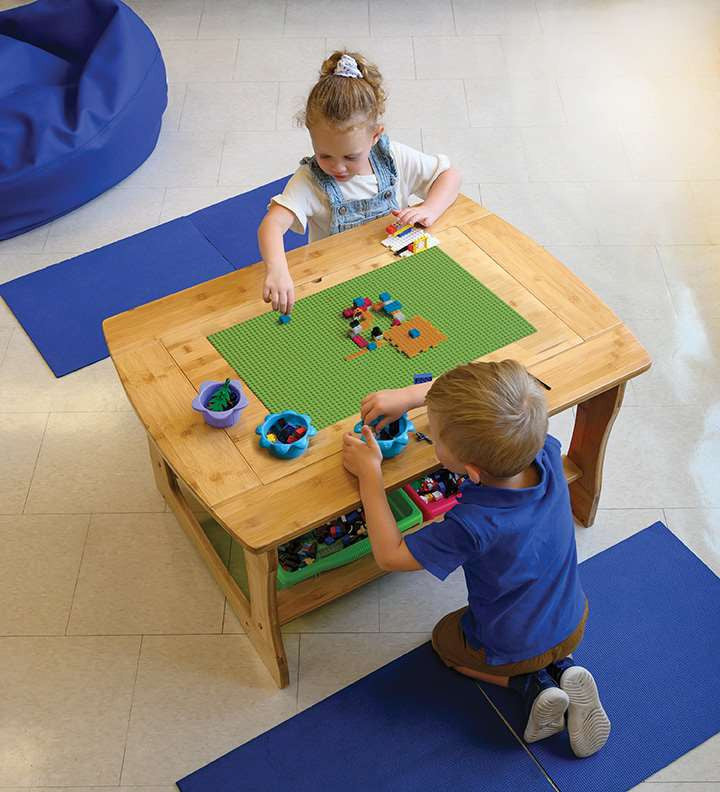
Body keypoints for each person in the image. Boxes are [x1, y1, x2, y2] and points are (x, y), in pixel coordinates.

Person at [342, 360, 611, 758]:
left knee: (445, 640)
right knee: (537, 631)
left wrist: (370, 476)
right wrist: (410, 397)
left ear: (471, 471)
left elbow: (389, 555)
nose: (431, 437)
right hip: (574, 619)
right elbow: (519, 386)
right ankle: (565, 668)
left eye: (435, 437)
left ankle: (530, 685)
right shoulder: (546, 453)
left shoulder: (472, 525)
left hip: (510, 645)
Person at [257, 50, 461, 315]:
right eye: (325, 155)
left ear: (376, 136)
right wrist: (278, 270)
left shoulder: (393, 159)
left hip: (398, 272)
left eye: (351, 156)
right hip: (335, 284)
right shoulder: (310, 180)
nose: (338, 167)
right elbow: (272, 224)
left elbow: (450, 176)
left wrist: (430, 208)